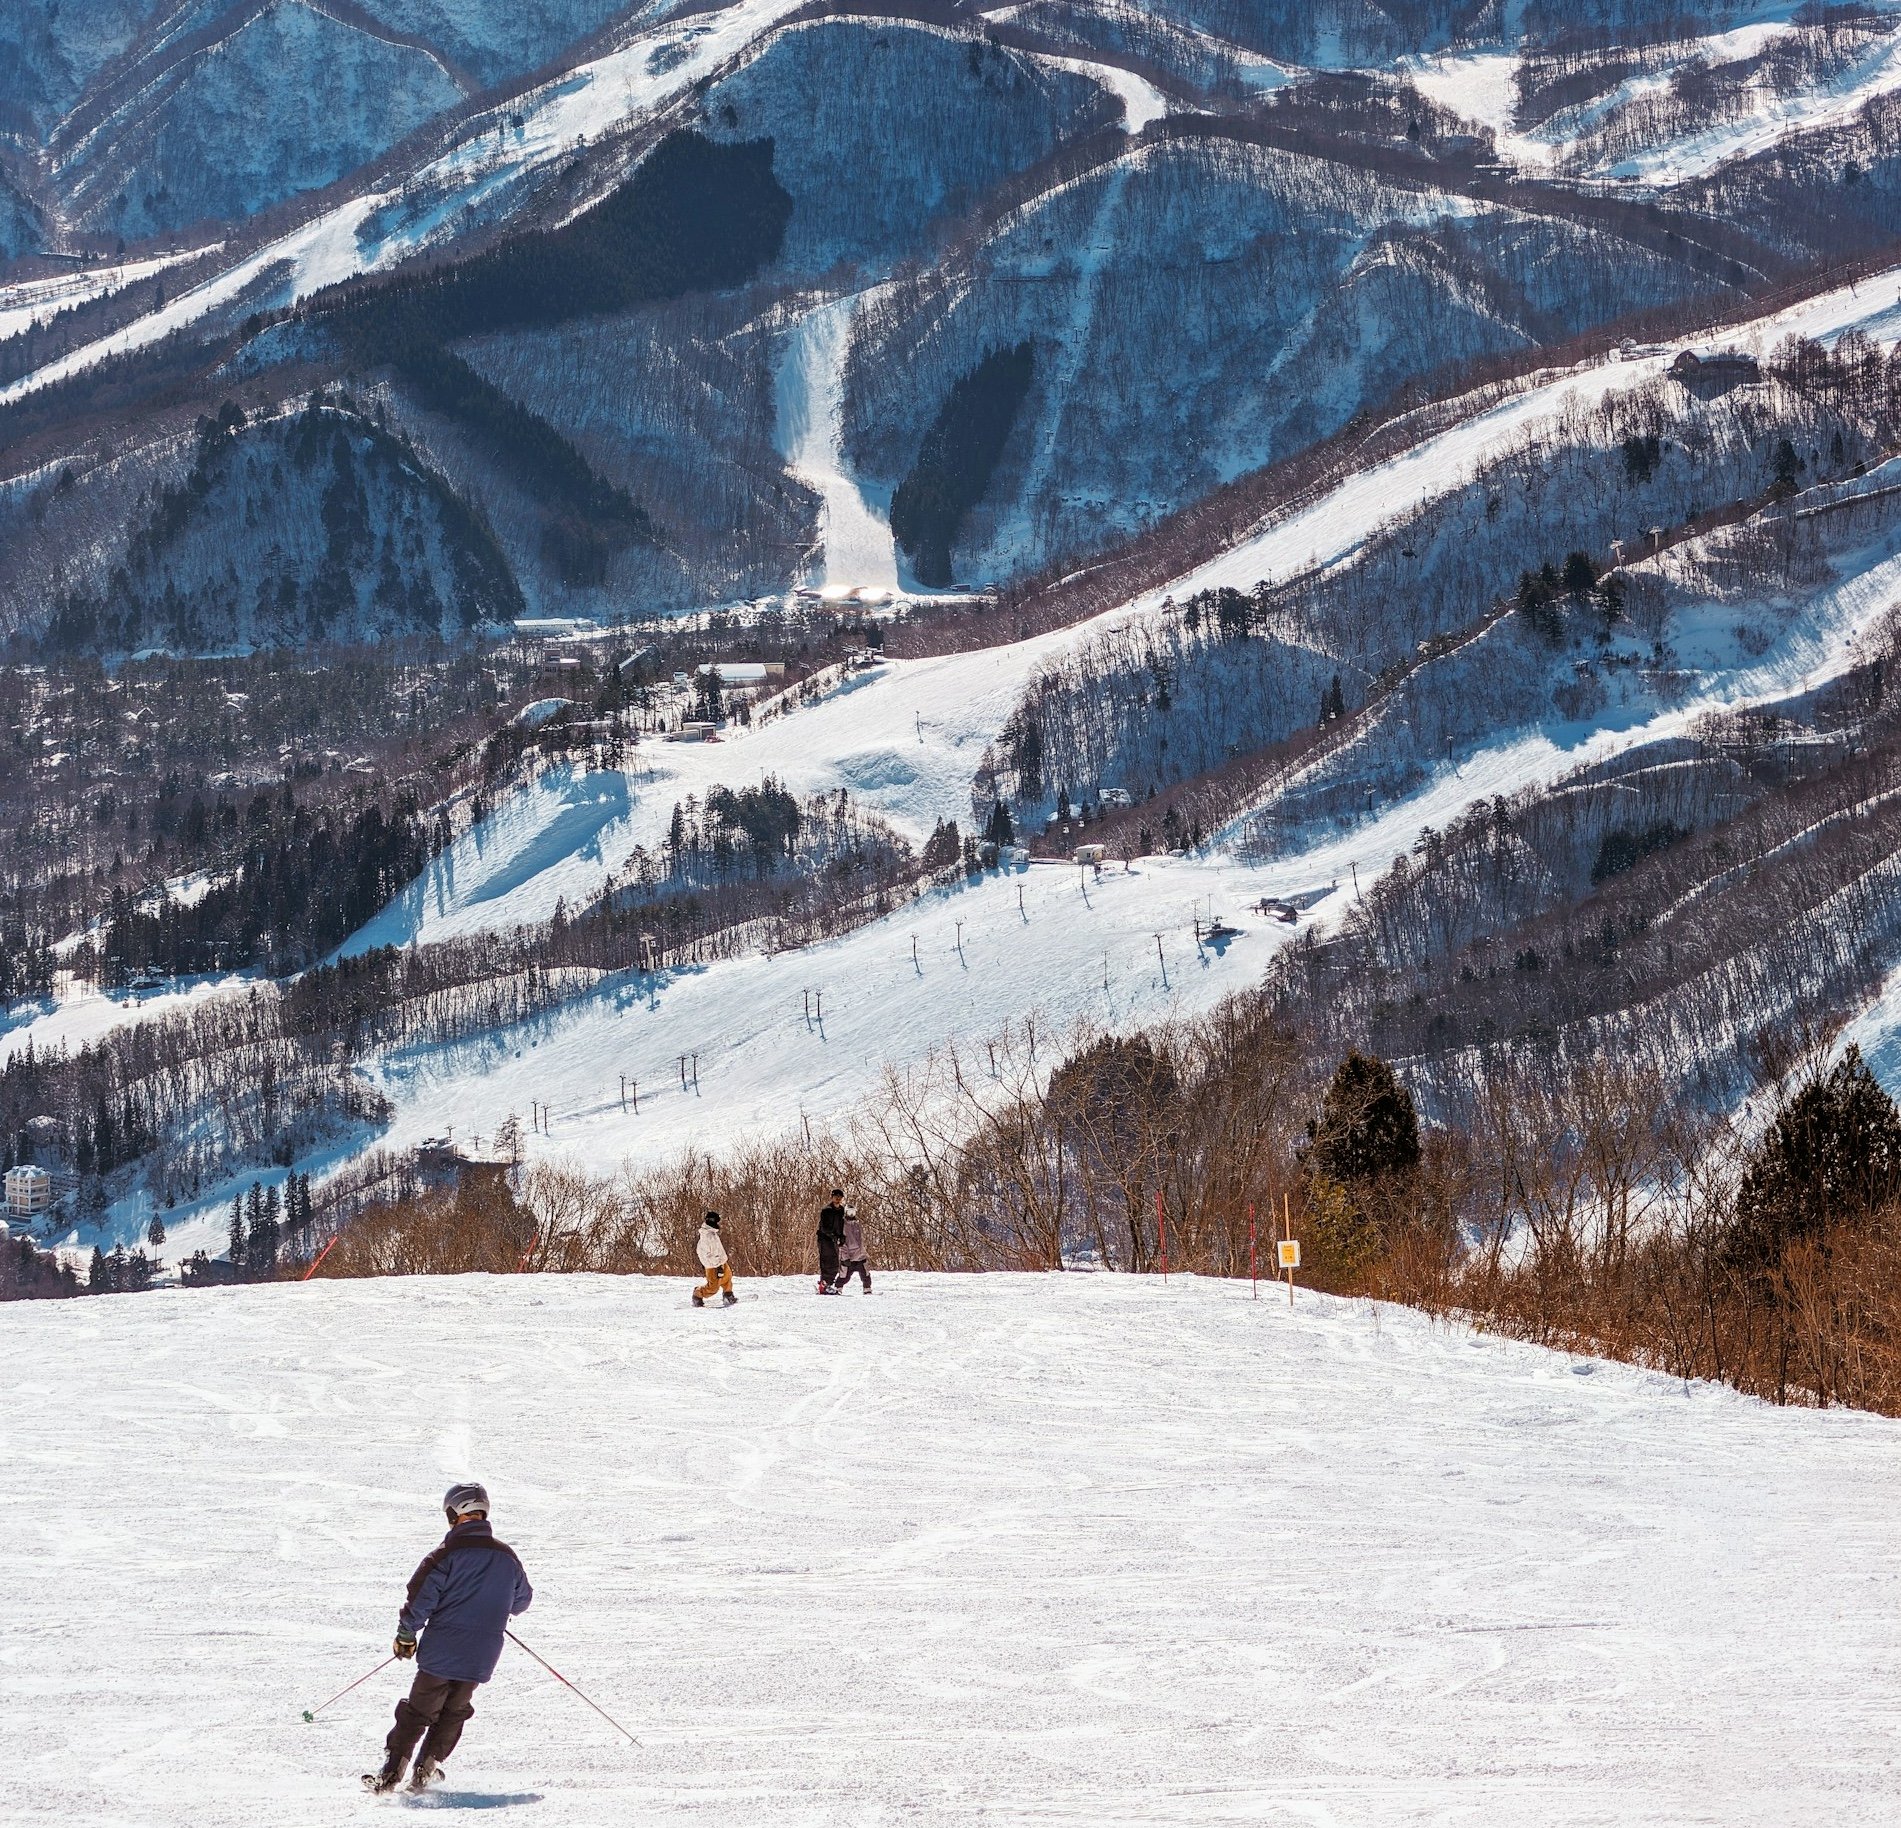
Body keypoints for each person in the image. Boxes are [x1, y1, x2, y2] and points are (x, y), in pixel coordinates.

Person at [364, 1483, 533, 1795]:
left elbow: (420, 1599)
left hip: (441, 1652)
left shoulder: (446, 1555)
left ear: (455, 1513)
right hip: (481, 1655)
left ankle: (391, 1775)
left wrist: (406, 1634)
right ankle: (424, 1770)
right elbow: (522, 1601)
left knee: (418, 1710)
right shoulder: (507, 1557)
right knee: (454, 1710)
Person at [693, 1210, 738, 1307]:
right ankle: (698, 1294)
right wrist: (717, 1265)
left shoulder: (712, 1233)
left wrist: (722, 1261)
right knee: (713, 1287)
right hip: (713, 1266)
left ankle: (728, 1295)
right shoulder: (706, 1236)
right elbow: (705, 1254)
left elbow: (717, 1250)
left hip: (721, 1262)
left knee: (727, 1278)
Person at [832, 1205, 871, 1293]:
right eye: (850, 1212)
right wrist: (845, 1257)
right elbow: (842, 1244)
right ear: (846, 1212)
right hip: (849, 1257)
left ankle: (867, 1289)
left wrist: (864, 1253)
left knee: (865, 1274)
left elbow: (861, 1240)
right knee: (844, 1275)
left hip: (860, 1255)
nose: (851, 1214)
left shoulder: (857, 1224)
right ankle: (838, 1288)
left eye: (853, 1212)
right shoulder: (842, 1226)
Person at [816, 1190, 846, 1294]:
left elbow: (842, 1225)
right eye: (836, 1196)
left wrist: (842, 1237)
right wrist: (831, 1235)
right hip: (825, 1238)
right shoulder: (826, 1210)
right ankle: (824, 1284)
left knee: (835, 1262)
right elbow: (823, 1227)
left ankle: (827, 1283)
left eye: (840, 1196)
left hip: (834, 1239)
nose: (838, 1198)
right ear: (832, 1197)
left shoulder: (842, 1210)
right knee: (827, 1261)